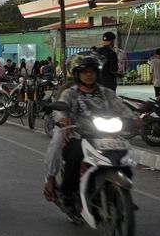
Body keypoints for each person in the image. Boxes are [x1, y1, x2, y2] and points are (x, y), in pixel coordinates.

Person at [43, 54, 134, 222]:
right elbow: (60, 109)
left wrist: (135, 119)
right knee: (73, 155)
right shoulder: (70, 93)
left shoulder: (106, 93)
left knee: (124, 156)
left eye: (92, 71)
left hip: (105, 134)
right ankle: (66, 193)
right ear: (77, 74)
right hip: (77, 133)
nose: (89, 75)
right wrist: (62, 119)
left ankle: (120, 193)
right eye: (84, 71)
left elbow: (121, 108)